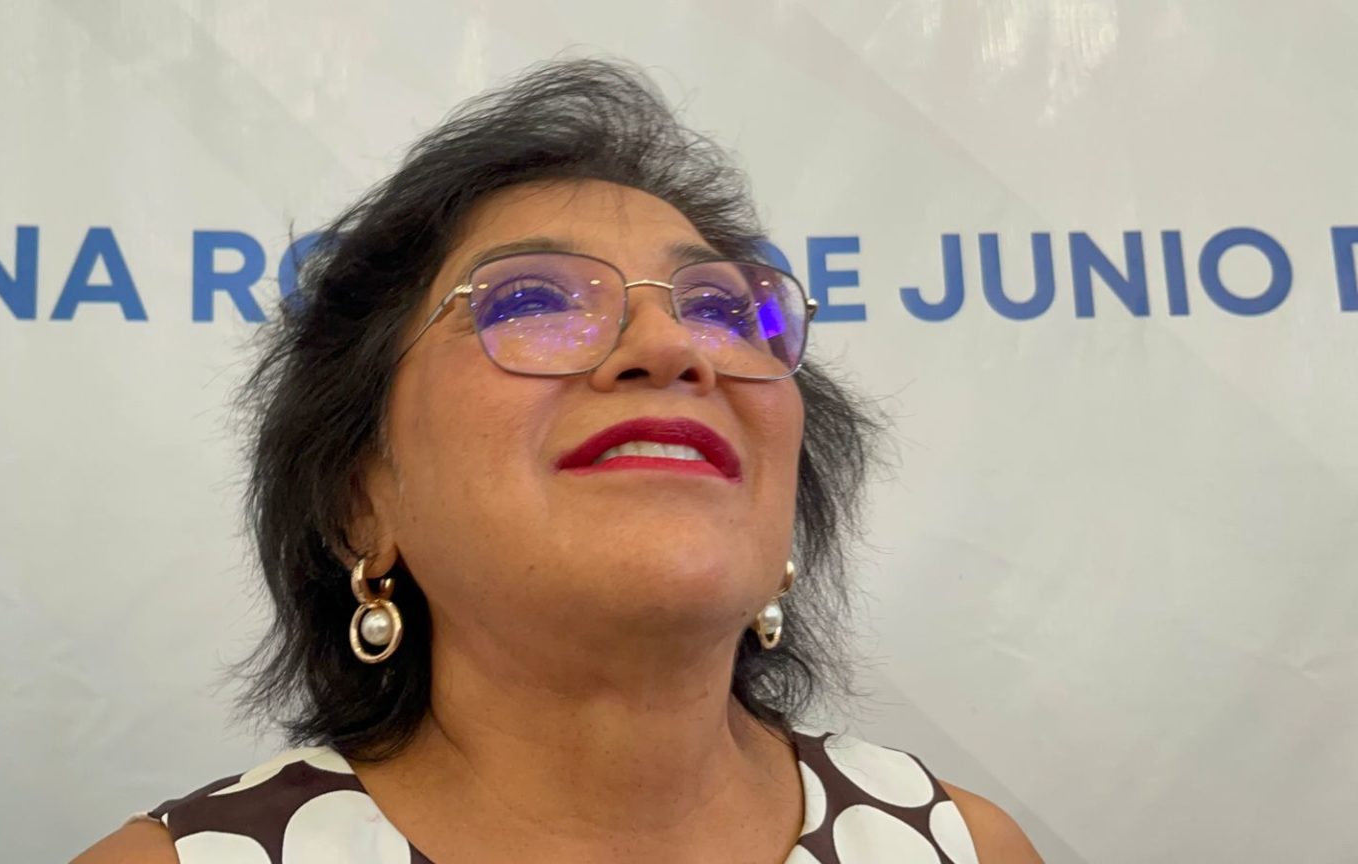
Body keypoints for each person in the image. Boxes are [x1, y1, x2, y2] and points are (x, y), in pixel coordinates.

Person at [74, 58, 1042, 864]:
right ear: (361, 502)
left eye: (720, 308)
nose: (672, 345)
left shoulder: (969, 847)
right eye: (533, 300)